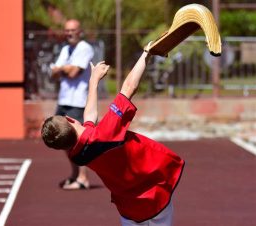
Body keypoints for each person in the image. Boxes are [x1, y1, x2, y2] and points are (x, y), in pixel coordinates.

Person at [42, 42, 185, 226]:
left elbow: (89, 117)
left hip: (128, 204)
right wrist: (146, 54)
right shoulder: (106, 132)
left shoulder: (77, 154)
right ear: (70, 119)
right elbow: (129, 88)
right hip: (153, 191)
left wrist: (93, 81)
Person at [49, 19, 94, 190]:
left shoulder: (85, 48)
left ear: (79, 31)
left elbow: (74, 72)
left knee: (78, 141)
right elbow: (53, 74)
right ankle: (74, 174)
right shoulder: (66, 49)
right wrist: (63, 69)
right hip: (64, 100)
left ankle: (83, 178)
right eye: (67, 30)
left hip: (78, 102)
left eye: (73, 30)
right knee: (63, 140)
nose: (69, 33)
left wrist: (61, 69)